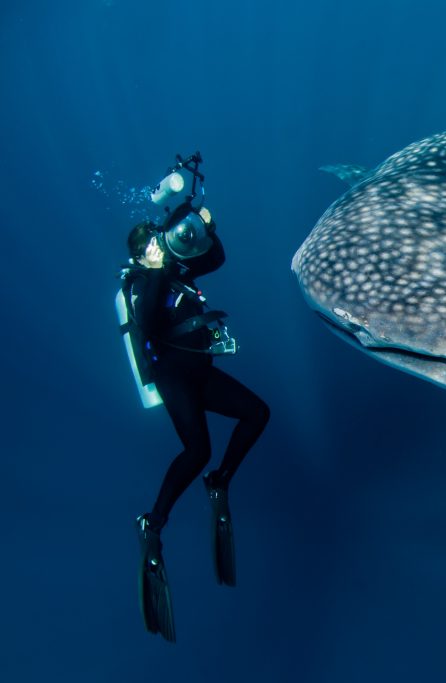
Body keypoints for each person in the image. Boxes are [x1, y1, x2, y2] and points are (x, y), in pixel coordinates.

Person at [123, 216, 270, 642]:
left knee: (257, 413)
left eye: (159, 241)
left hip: (201, 372)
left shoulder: (176, 270)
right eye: (152, 245)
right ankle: (152, 524)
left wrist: (205, 228)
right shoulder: (140, 282)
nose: (160, 248)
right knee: (197, 449)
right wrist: (154, 270)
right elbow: (148, 322)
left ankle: (219, 481)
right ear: (140, 254)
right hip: (174, 378)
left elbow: (216, 258)